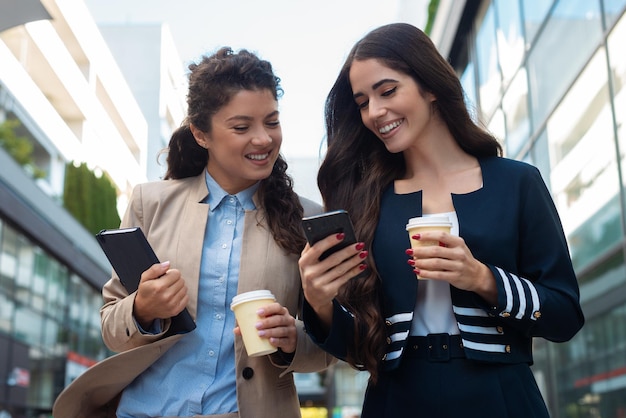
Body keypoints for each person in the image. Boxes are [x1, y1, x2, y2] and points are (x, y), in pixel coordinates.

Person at [298, 23, 584, 418]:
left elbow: (565, 316)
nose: (374, 112)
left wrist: (482, 278)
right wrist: (318, 302)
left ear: (430, 86)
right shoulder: (366, 202)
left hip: (500, 395)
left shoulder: (516, 182)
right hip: (396, 399)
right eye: (362, 101)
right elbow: (361, 348)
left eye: (388, 90)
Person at [53, 47, 335, 418]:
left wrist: (292, 339)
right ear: (201, 134)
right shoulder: (149, 203)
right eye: (241, 127)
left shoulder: (307, 219)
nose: (264, 139)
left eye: (271, 121)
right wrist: (142, 309)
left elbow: (330, 348)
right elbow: (111, 327)